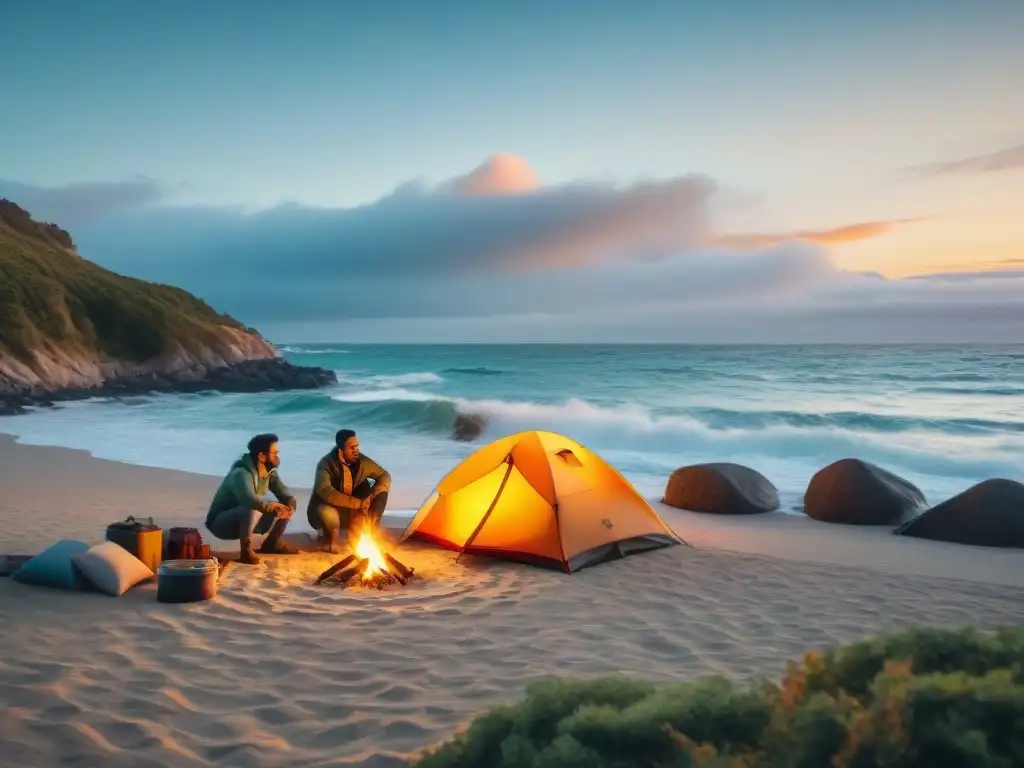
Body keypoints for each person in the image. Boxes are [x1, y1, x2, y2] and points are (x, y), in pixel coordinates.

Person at [206, 433, 299, 564]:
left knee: (285, 505)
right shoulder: (241, 472)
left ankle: (271, 543)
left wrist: (290, 505)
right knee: (253, 508)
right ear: (261, 455)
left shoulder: (269, 471)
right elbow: (248, 499)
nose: (277, 457)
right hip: (221, 524)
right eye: (274, 453)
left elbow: (286, 495)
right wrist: (273, 506)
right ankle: (246, 551)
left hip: (246, 520)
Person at [307, 429, 392, 553]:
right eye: (351, 447)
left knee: (381, 494)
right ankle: (328, 538)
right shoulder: (326, 464)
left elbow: (384, 475)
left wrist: (370, 497)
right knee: (328, 514)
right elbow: (326, 492)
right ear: (341, 449)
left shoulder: (363, 462)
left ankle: (371, 532)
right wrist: (358, 503)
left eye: (357, 446)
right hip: (325, 510)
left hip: (352, 512)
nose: (356, 450)